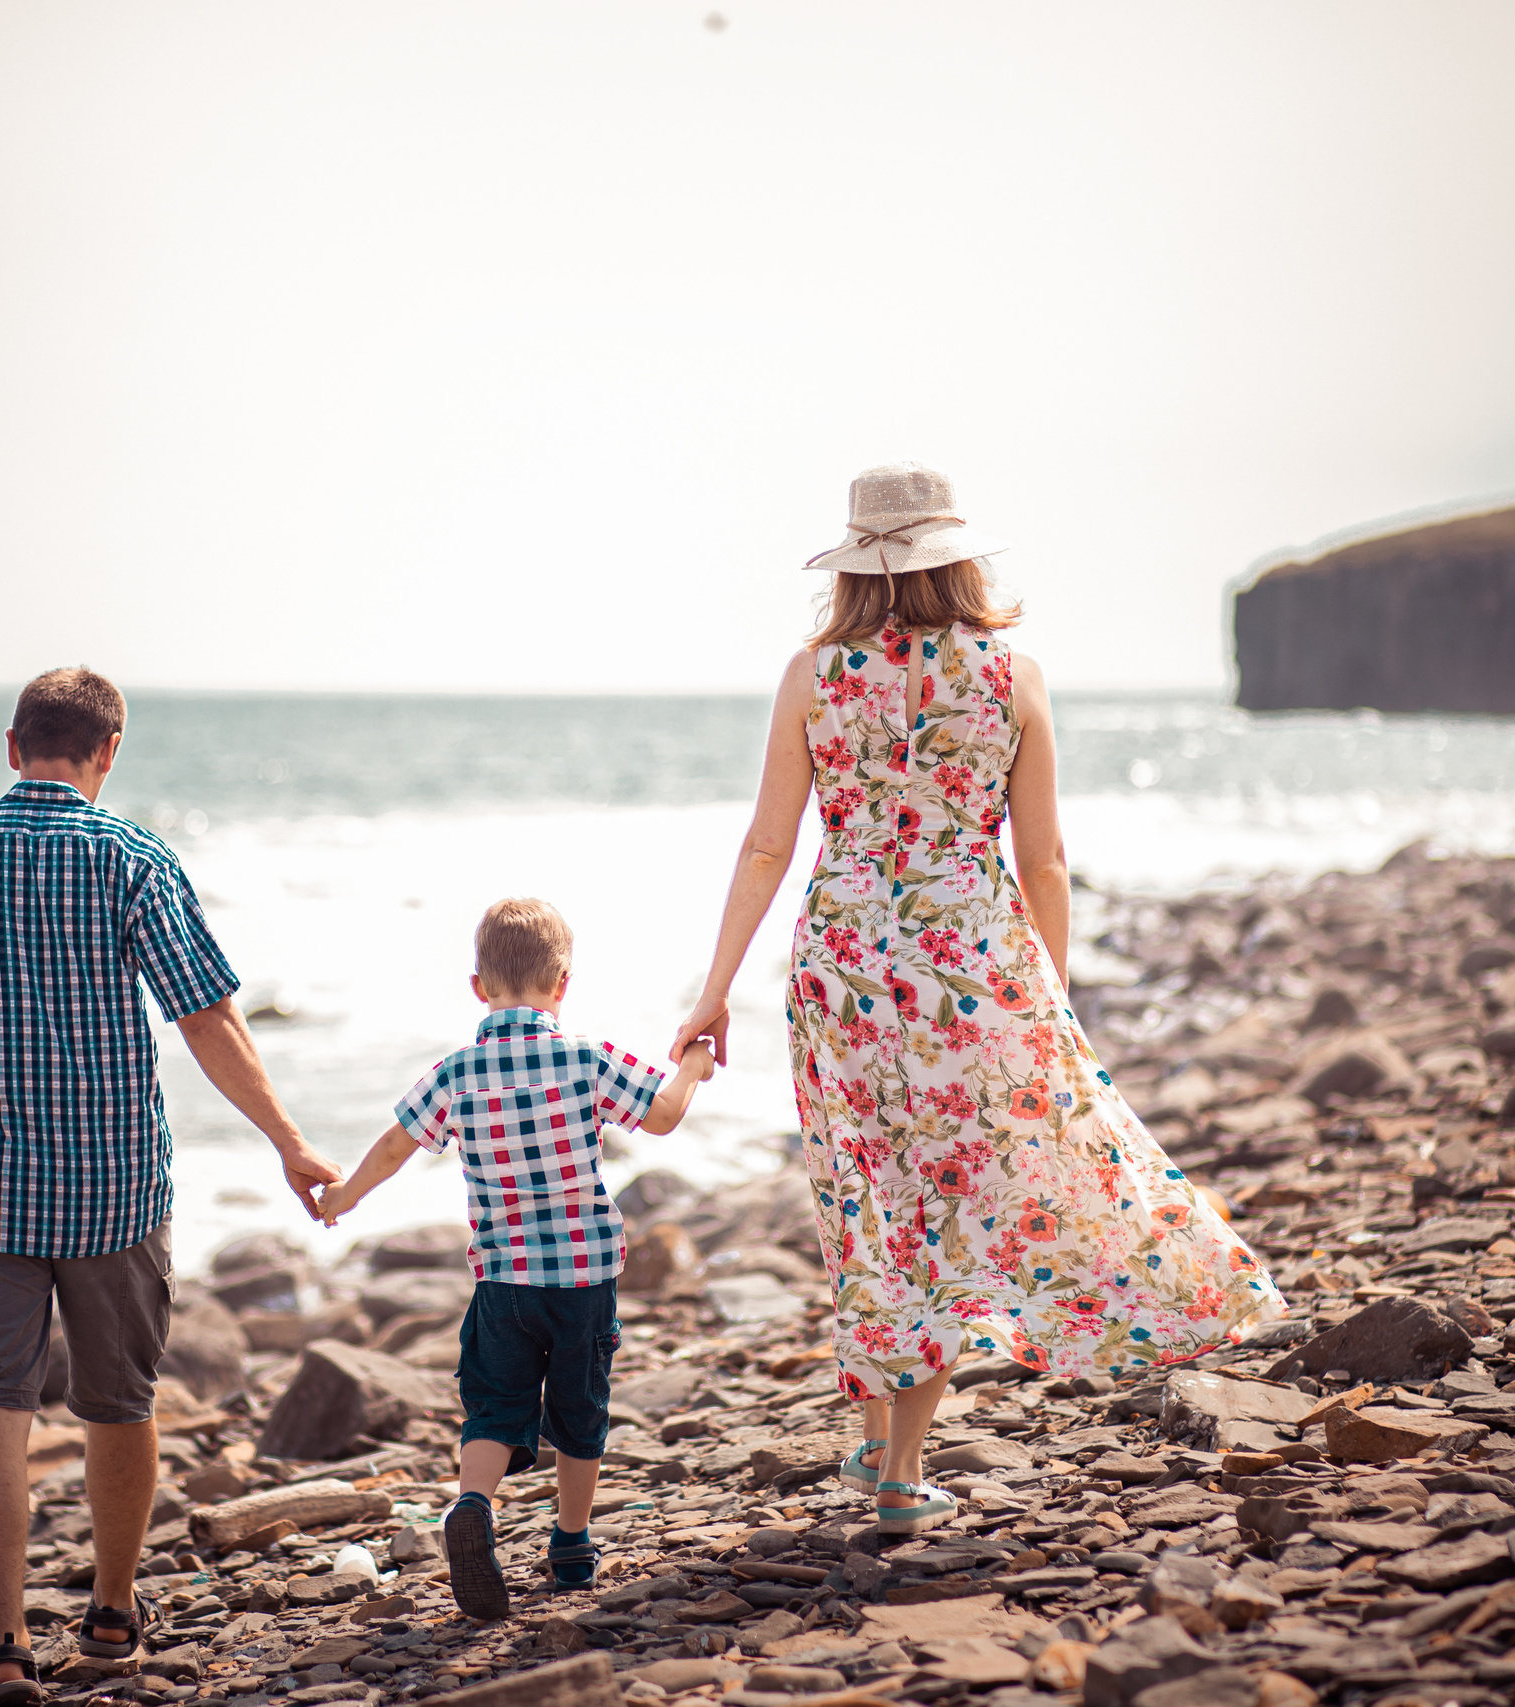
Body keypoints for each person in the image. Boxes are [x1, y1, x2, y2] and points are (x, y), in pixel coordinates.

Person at [671, 464, 1287, 1535]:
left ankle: (886, 1459)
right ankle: (892, 1464)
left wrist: (712, 991)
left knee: (870, 1201)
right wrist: (1046, 992)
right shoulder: (1013, 677)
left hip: (846, 970)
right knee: (953, 1200)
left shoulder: (813, 675)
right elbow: (1042, 860)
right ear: (957, 556)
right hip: (973, 970)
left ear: (859, 566)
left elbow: (769, 842)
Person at [0, 667, 344, 1707]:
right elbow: (208, 1020)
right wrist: (288, 1140)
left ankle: (2, 1646)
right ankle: (114, 1611)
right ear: (108, 751)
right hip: (115, 1185)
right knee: (117, 1404)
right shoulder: (132, 858)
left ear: (11, 746)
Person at [317, 898, 714, 1619]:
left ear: (479, 987)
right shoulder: (585, 1056)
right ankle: (570, 1540)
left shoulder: (456, 1072)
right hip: (583, 1278)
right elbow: (662, 1113)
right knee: (579, 1407)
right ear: (561, 981)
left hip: (502, 1280)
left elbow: (395, 1145)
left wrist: (345, 1193)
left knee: (495, 1407)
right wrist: (690, 1064)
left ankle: (472, 1503)